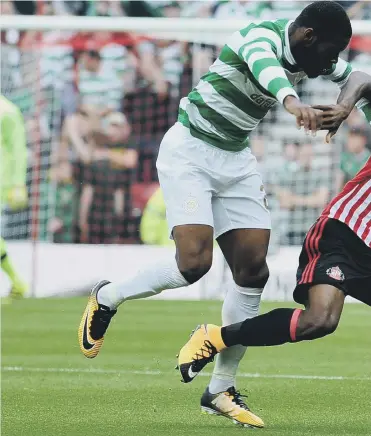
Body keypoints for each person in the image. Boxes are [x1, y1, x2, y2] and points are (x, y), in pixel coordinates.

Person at [78, 1, 371, 428]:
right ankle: (108, 296)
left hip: (235, 160)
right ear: (306, 35)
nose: (330, 63)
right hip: (191, 152)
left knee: (253, 272)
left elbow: (360, 77)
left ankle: (220, 389)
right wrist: (291, 102)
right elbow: (267, 70)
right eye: (328, 53)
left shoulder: (312, 54)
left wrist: (343, 108)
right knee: (194, 264)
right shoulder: (260, 37)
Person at [177, 146, 371, 394]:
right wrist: (345, 106)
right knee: (320, 320)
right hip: (344, 234)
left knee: (322, 322)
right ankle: (215, 337)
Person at [0, 95, 28, 300]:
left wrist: (18, 183)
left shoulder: (7, 111)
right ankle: (17, 281)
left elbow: (19, 150)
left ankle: (17, 280)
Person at [276, 142, 330, 245]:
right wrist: (311, 199)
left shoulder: (319, 175)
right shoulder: (289, 175)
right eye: (304, 154)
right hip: (293, 228)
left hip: (313, 229)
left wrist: (294, 199)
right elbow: (285, 202)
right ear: (298, 154)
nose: (307, 158)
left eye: (310, 154)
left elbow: (321, 201)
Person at [338, 125, 371, 190]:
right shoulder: (343, 158)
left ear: (363, 140)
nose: (350, 142)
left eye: (354, 138)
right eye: (349, 138)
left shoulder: (369, 159)